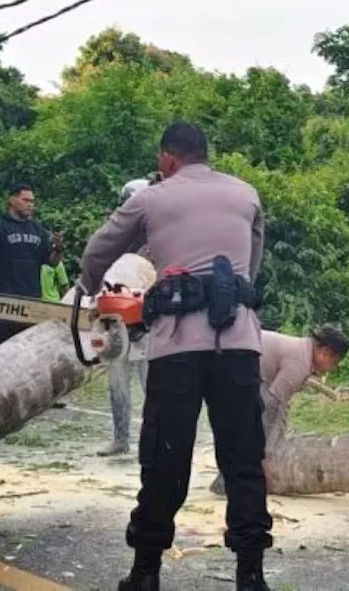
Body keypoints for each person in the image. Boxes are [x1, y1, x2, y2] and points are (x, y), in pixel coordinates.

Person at [80, 122, 272, 591]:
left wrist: (91, 292)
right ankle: (251, 575)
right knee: (243, 459)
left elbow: (97, 253)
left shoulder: (150, 198)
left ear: (167, 158)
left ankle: (146, 572)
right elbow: (254, 258)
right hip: (240, 344)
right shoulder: (246, 194)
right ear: (205, 154)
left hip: (178, 347)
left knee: (165, 459)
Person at [209, 325, 349, 495]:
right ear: (325, 352)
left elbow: (279, 401)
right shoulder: (300, 364)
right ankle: (229, 478)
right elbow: (272, 404)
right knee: (253, 426)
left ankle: (232, 472)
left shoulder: (302, 350)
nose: (333, 368)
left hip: (234, 357)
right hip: (233, 363)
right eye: (334, 362)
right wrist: (268, 446)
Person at [95, 178, 155, 459]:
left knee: (152, 385)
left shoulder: (159, 235)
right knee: (117, 381)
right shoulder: (116, 234)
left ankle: (156, 437)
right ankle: (120, 438)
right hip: (116, 314)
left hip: (147, 320)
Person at [0, 183, 55, 353]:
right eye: (25, 200)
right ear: (12, 199)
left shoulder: (38, 229)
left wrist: (59, 249)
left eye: (32, 201)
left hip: (31, 301)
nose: (30, 204)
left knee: (26, 352)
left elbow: (51, 261)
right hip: (3, 301)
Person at [41, 232, 69, 302]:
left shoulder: (58, 263)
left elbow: (64, 286)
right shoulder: (34, 261)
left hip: (53, 302)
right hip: (35, 301)